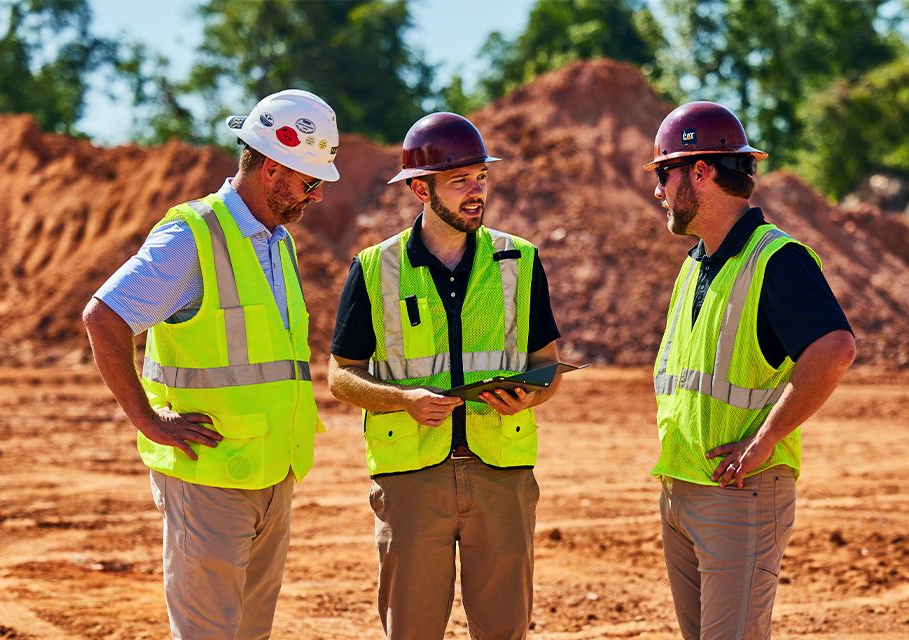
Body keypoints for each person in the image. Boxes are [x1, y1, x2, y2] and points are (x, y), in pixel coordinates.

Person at [82, 89, 339, 639]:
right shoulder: (191, 238)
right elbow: (104, 318)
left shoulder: (279, 244)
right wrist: (148, 421)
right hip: (209, 475)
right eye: (310, 181)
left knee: (249, 633)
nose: (315, 196)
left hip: (273, 470)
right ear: (273, 168)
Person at [328, 112, 562, 640]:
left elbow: (547, 363)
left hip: (501, 470)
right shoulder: (374, 268)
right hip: (411, 477)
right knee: (411, 631)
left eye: (480, 177)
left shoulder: (519, 260)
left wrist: (530, 396)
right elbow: (340, 376)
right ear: (419, 188)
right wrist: (402, 400)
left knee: (505, 630)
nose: (475, 192)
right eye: (459, 181)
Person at [645, 101, 856, 640]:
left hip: (740, 496)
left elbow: (834, 348)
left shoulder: (777, 259)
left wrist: (765, 440)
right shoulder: (695, 264)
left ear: (700, 170)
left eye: (663, 174)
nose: (658, 191)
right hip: (684, 489)